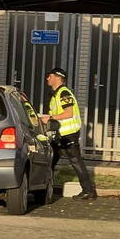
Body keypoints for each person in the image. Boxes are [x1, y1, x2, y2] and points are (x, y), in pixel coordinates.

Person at [39, 67, 96, 200]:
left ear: (58, 77)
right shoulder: (55, 95)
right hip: (60, 135)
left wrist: (50, 118)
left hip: (69, 135)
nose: (47, 78)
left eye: (50, 76)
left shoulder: (64, 93)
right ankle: (43, 189)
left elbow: (68, 113)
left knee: (76, 162)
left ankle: (88, 191)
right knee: (50, 161)